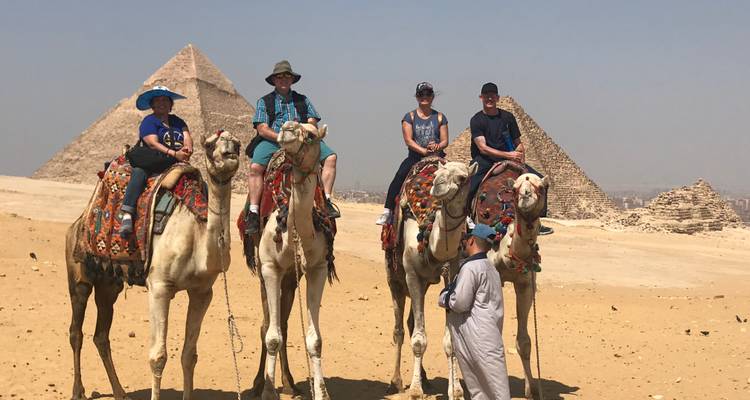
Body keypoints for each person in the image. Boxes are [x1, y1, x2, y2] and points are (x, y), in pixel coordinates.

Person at [244, 60, 339, 234]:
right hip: (274, 140)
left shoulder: (302, 100)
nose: (284, 80)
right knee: (256, 168)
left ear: (292, 80)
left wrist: (303, 132)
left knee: (331, 157)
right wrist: (281, 138)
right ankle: (253, 211)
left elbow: (312, 121)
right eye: (280, 77)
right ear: (274, 80)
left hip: (302, 141)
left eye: (287, 77)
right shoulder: (264, 101)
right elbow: (262, 128)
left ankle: (326, 200)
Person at [467, 82, 553, 235]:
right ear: (481, 97)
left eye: (492, 96)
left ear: (497, 98)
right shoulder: (477, 120)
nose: (489, 99)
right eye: (486, 96)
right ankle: (467, 218)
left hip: (510, 159)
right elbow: (483, 148)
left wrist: (520, 155)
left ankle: (537, 221)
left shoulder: (508, 117)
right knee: (468, 184)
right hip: (485, 160)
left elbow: (518, 143)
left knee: (539, 181)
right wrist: (508, 155)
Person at [438, 223, 511, 400]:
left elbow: (460, 302)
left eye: (466, 239)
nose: (464, 243)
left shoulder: (471, 268)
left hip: (478, 337)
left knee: (495, 389)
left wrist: (444, 296)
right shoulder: (490, 267)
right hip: (484, 333)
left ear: (471, 241)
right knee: (480, 387)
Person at [120, 86, 192, 235]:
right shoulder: (149, 121)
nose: (162, 103)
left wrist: (187, 148)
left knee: (199, 182)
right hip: (153, 162)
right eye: (157, 100)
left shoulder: (177, 121)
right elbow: (152, 143)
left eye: (165, 100)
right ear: (152, 105)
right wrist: (174, 153)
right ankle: (127, 213)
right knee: (139, 173)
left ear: (171, 104)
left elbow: (186, 136)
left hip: (176, 163)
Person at [375, 82, 448, 225]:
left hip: (437, 157)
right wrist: (424, 151)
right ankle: (388, 211)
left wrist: (437, 146)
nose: (424, 97)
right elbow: (408, 140)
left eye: (428, 94)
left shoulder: (440, 117)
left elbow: (445, 140)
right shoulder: (410, 117)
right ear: (417, 97)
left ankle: (465, 216)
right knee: (399, 177)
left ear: (432, 96)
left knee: (457, 178)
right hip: (415, 157)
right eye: (421, 94)